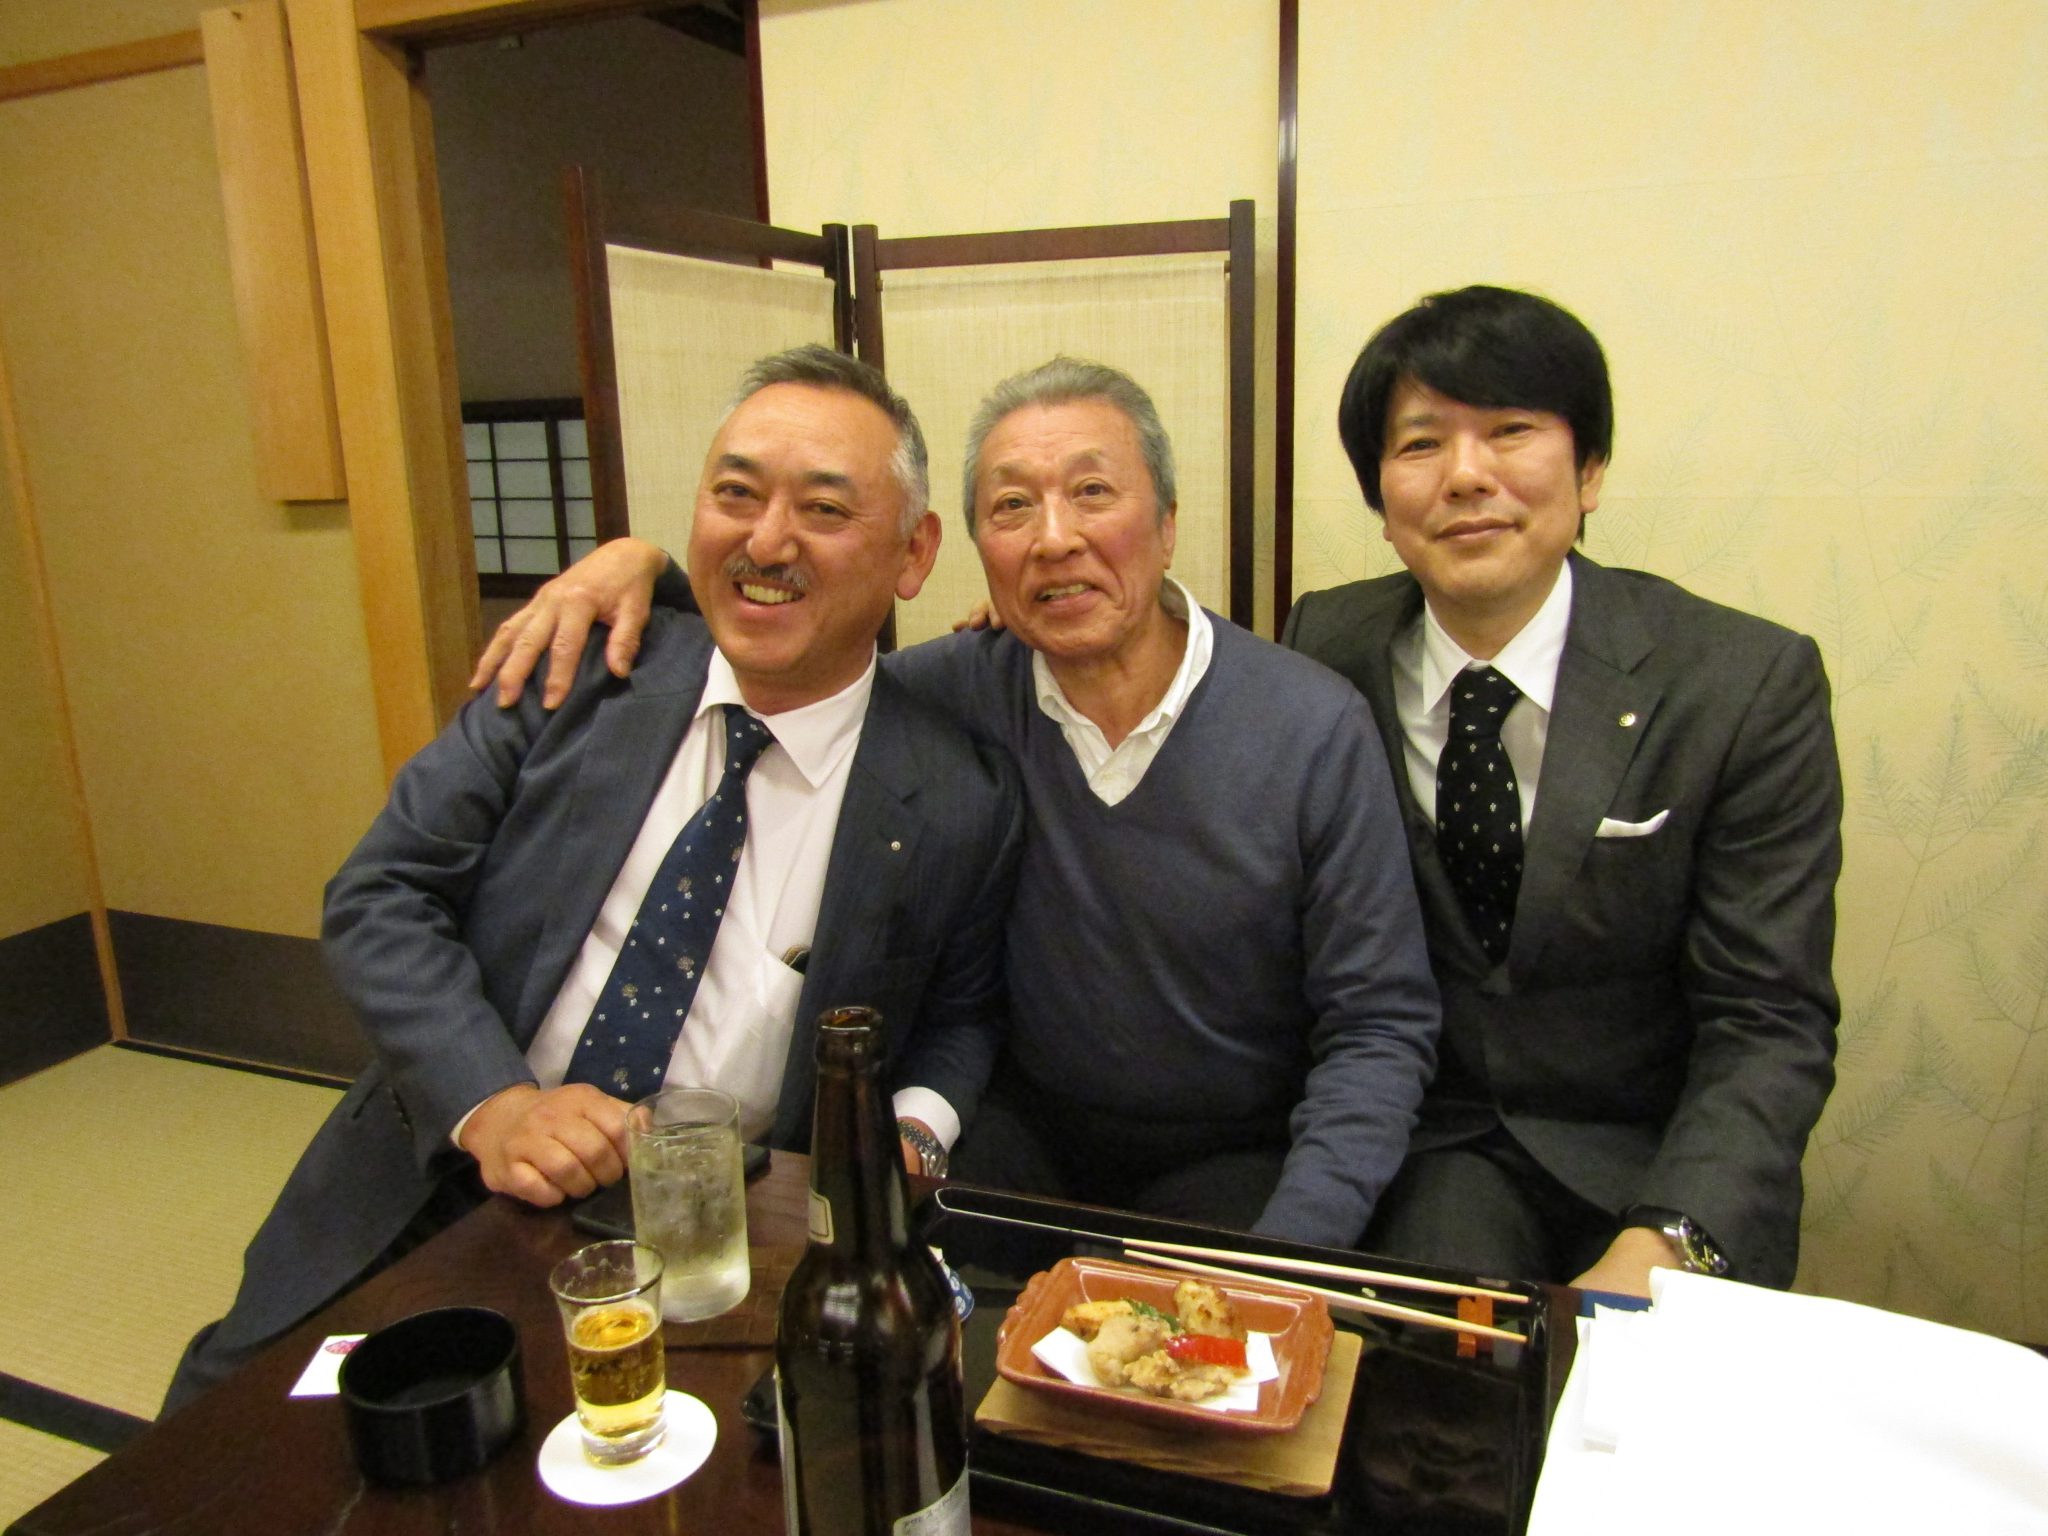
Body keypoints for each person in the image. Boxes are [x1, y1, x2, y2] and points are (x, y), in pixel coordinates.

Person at [164, 346, 1022, 1413]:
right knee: (232, 1437)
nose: (766, 542)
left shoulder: (956, 794)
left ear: (913, 551)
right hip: (444, 1178)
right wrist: (494, 1105)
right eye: (735, 494)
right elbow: (383, 892)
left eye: (824, 510)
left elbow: (963, 1012)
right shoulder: (578, 664)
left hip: (724, 1236)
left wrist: (914, 1131)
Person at [477, 358, 1441, 1250]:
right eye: (1012, 506)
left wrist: (1298, 1244)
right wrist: (644, 568)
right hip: (1013, 1130)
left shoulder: (1310, 725)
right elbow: (795, 641)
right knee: (888, 1306)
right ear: (965, 548)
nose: (1054, 538)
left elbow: (1378, 1024)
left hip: (1239, 1151)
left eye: (1092, 493)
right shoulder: (946, 695)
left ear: (1168, 522)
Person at [1282, 285, 1842, 1295]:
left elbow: (1767, 1019)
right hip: (1432, 1148)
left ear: (1589, 471)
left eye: (1510, 431)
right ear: (1380, 496)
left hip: (1652, 1155)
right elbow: (1187, 688)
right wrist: (1025, 645)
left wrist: (1665, 1240)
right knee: (1446, 1370)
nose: (1465, 475)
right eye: (1420, 444)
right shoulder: (1325, 646)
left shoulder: (1740, 683)